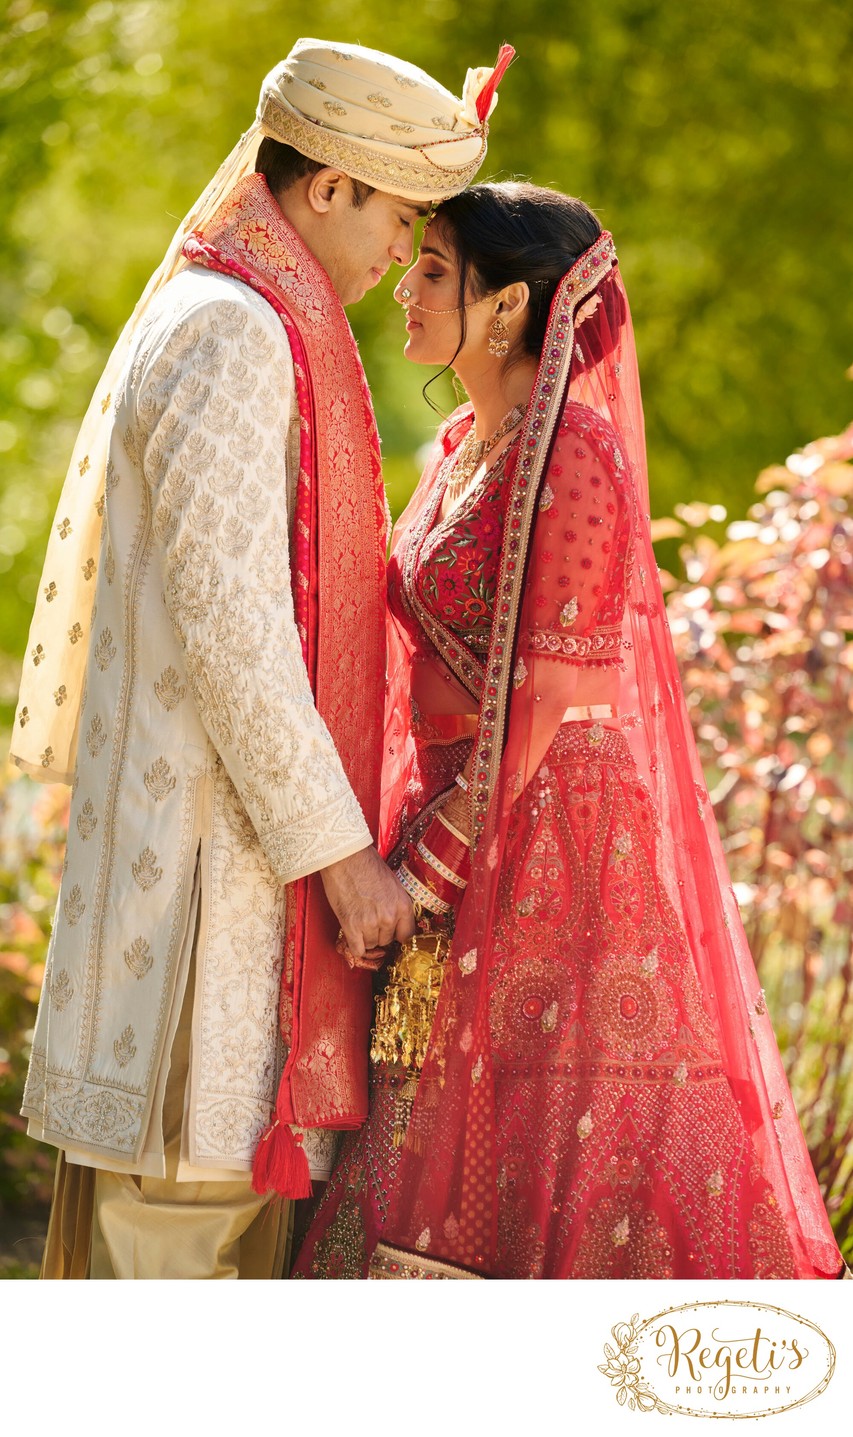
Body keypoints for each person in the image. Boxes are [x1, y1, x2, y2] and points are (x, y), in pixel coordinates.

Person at [12, 38, 515, 1280]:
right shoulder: (236, 330)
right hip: (205, 892)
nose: (401, 253)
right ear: (329, 186)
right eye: (398, 216)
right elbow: (235, 629)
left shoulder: (242, 313)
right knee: (181, 1254)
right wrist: (346, 866)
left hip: (225, 874)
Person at [292, 181, 846, 1279]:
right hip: (458, 820)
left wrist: (428, 874)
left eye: (437, 269)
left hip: (556, 856)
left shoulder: (574, 455)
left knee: (561, 1156)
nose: (405, 285)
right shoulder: (457, 446)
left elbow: (547, 698)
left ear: (506, 308)